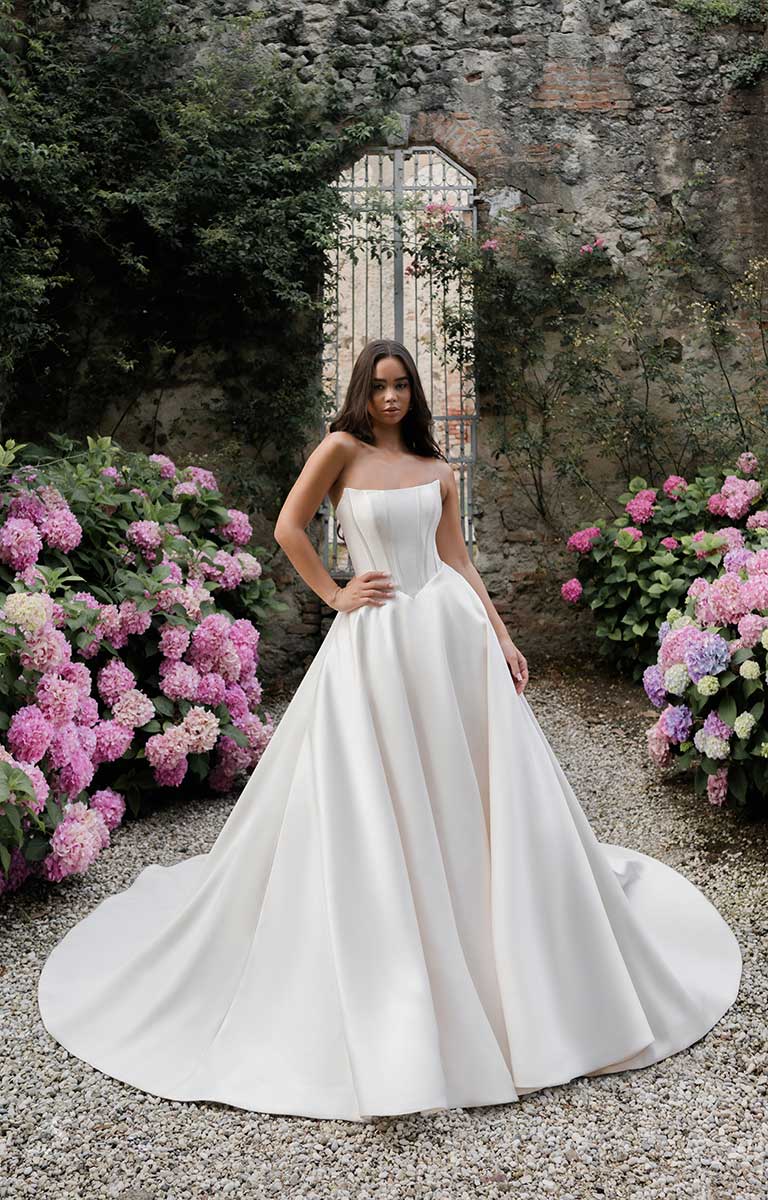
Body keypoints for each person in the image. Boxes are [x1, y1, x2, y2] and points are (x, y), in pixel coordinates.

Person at [38, 338, 742, 1123]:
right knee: (377, 784)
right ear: (360, 392)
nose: (391, 398)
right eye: (378, 386)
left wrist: (502, 636)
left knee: (467, 782)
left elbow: (458, 563)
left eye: (401, 385)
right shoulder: (339, 448)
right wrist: (335, 593)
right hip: (375, 639)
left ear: (415, 390)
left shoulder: (439, 470)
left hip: (448, 636)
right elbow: (288, 529)